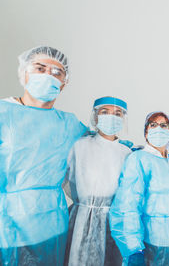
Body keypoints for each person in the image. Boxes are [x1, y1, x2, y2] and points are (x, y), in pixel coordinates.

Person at [0, 46, 87, 266]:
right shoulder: (3, 113)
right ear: (24, 73)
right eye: (40, 68)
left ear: (64, 83)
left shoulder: (68, 124)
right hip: (8, 226)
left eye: (57, 72)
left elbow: (97, 144)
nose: (48, 75)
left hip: (52, 225)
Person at [63, 96, 133, 266]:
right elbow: (66, 181)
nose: (111, 117)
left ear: (123, 119)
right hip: (80, 219)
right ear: (95, 117)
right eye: (105, 112)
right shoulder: (79, 146)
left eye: (117, 113)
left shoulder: (127, 153)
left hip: (114, 223)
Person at [110, 111, 169, 266]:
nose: (159, 129)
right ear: (146, 132)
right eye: (153, 125)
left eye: (164, 125)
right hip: (149, 241)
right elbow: (127, 205)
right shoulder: (138, 159)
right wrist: (133, 247)